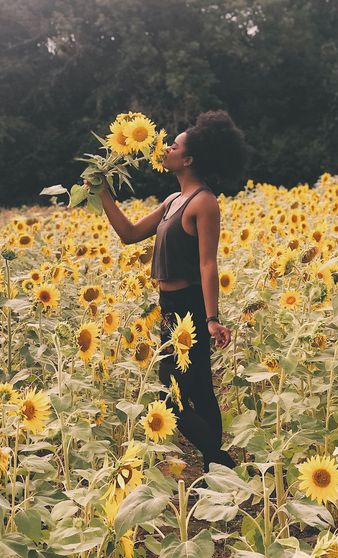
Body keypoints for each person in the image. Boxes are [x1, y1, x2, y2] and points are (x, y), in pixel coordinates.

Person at [91, 109, 249, 473]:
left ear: (188, 158)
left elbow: (208, 263)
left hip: (191, 308)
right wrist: (104, 195)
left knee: (173, 396)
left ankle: (219, 462)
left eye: (173, 145)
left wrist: (211, 318)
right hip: (169, 305)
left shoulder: (204, 202)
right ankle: (219, 468)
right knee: (197, 389)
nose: (165, 148)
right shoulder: (172, 201)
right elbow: (129, 235)